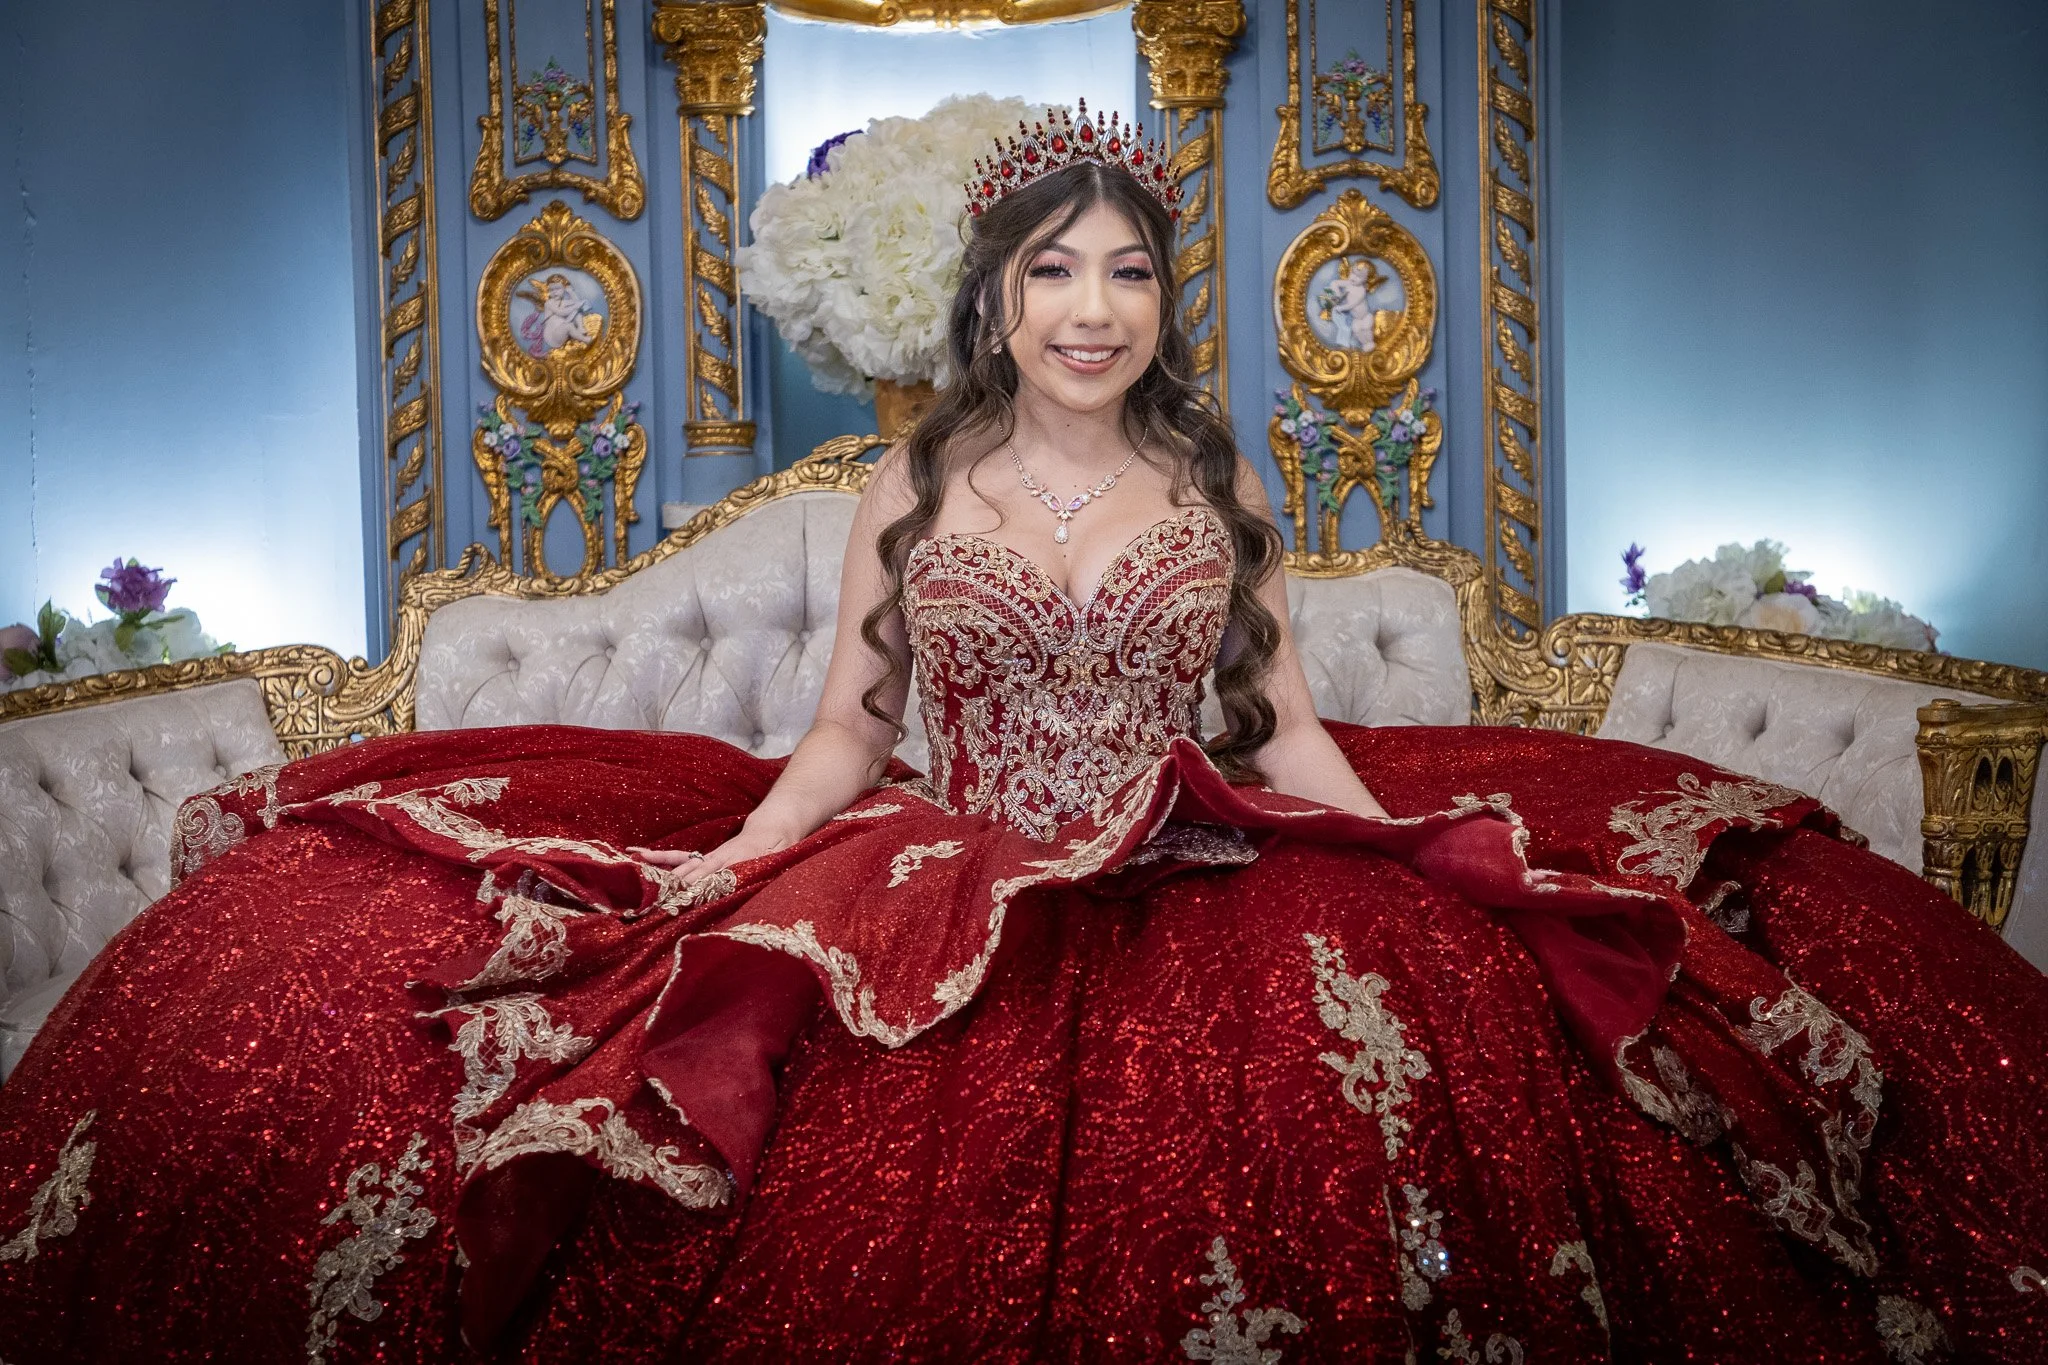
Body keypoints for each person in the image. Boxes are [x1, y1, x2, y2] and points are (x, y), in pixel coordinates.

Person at [1, 106, 2043, 1365]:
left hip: (1204, 853)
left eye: (1127, 270)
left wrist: (1444, 858)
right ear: (995, 300)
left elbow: (1294, 727)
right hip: (934, 863)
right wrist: (729, 862)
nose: (1093, 305)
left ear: (1167, 298)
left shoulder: (1220, 486)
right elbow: (836, 741)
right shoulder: (912, 488)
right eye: (1054, 270)